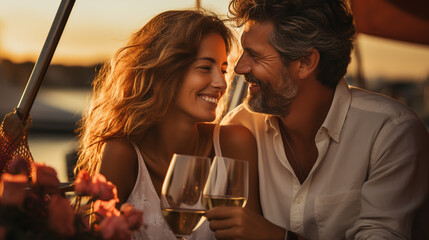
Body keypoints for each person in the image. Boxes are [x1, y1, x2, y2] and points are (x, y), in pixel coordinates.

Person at [205, 0, 429, 239]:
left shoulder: (391, 132)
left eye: (255, 56)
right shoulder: (241, 127)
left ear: (305, 62)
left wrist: (279, 237)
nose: (239, 68)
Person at [74, 9, 261, 240]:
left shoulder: (234, 143)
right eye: (205, 67)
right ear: (164, 70)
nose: (221, 82)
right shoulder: (122, 153)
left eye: (223, 69)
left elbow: (252, 234)